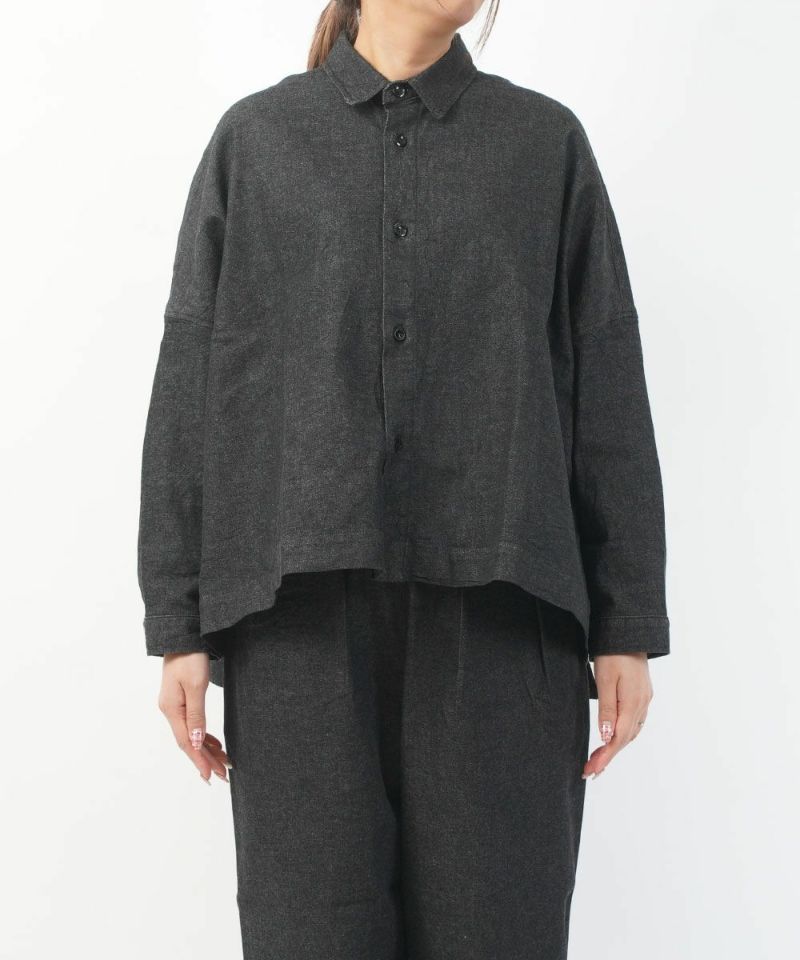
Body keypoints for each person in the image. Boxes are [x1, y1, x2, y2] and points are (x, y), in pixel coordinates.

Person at [137, 1, 670, 957]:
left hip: (505, 625)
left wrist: (626, 621)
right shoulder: (257, 144)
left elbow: (605, 374)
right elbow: (193, 377)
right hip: (295, 629)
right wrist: (179, 624)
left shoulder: (543, 145)